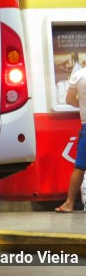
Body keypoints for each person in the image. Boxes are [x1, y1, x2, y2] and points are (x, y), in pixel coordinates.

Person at [55, 66, 86, 213]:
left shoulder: (79, 75)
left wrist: (81, 105)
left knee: (80, 166)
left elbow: (69, 99)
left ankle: (69, 204)